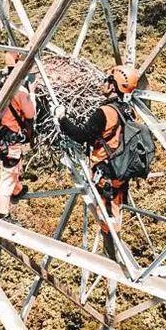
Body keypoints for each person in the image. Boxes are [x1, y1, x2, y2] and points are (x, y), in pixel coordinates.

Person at [54, 65, 140, 260]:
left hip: (107, 172)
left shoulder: (105, 112)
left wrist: (62, 118)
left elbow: (81, 135)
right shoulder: (129, 110)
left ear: (113, 86)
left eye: (107, 80)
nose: (103, 83)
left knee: (109, 216)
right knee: (113, 210)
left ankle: (111, 255)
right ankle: (112, 249)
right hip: (121, 170)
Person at [0, 52, 37, 224]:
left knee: (14, 168)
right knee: (8, 175)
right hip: (12, 139)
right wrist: (31, 94)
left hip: (2, 136)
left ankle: (17, 191)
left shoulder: (1, 86)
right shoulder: (21, 91)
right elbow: (30, 114)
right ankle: (2, 214)